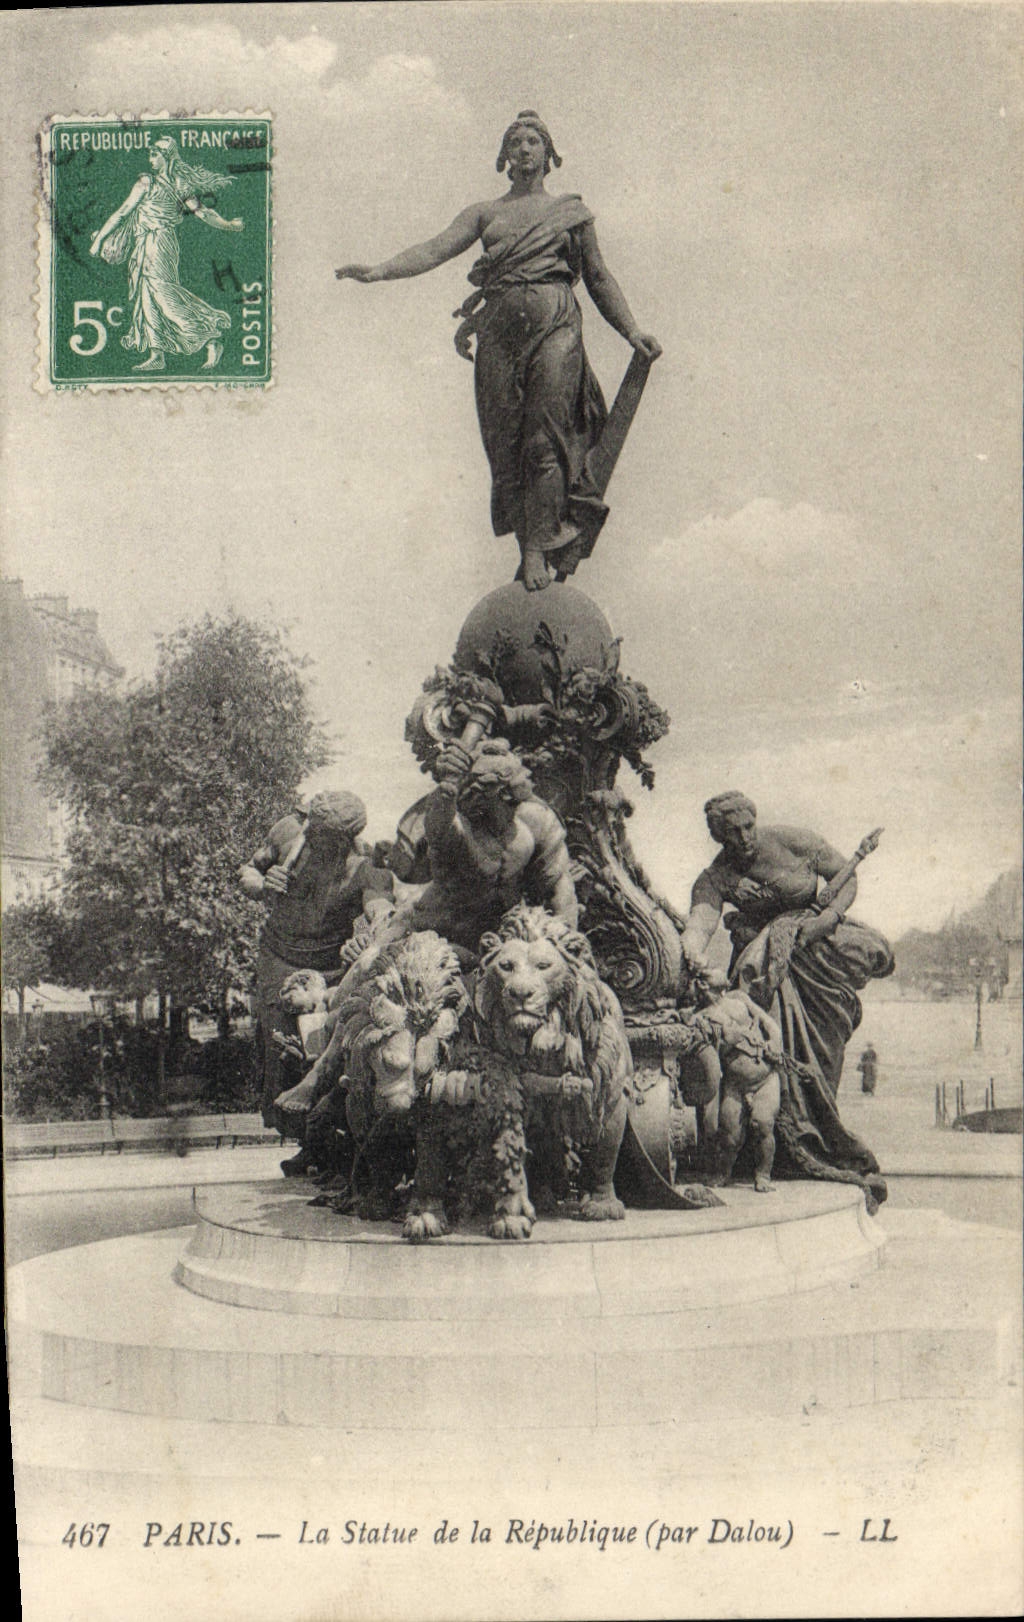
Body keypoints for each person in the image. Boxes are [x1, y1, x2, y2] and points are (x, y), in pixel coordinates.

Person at [336, 110, 661, 590]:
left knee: (543, 438)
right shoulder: (486, 213)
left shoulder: (572, 211)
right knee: (506, 446)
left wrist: (631, 330)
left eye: (533, 141)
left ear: (549, 155)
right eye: (516, 142)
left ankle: (536, 551)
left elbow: (597, 276)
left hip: (556, 323)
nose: (525, 148)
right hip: (500, 334)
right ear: (504, 156)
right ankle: (528, 542)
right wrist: (381, 271)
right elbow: (437, 247)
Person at [680, 792, 894, 1206]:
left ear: (755, 820)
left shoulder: (795, 841)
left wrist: (826, 920)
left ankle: (814, 1140)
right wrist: (689, 948)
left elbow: (846, 877)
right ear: (718, 837)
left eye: (747, 826)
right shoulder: (716, 877)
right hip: (766, 971)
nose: (742, 837)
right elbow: (700, 921)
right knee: (768, 1057)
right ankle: (768, 1151)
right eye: (731, 833)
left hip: (819, 956)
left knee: (822, 1058)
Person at [239, 790, 394, 1131]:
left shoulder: (366, 868)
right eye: (309, 828)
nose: (310, 838)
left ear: (343, 839)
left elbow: (381, 907)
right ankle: (294, 1131)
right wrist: (263, 884)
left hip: (331, 968)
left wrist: (371, 935)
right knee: (281, 1046)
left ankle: (318, 1139)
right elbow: (246, 872)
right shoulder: (287, 833)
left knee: (324, 1049)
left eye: (321, 837)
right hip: (279, 958)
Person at [89, 136, 243, 372]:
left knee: (164, 295)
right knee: (147, 297)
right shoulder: (150, 182)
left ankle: (211, 337)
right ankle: (157, 354)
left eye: (155, 154)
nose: (151, 159)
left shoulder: (171, 184)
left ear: (168, 156)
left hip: (160, 244)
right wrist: (100, 239)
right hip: (144, 243)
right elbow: (122, 213)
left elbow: (202, 213)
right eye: (150, 154)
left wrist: (229, 225)